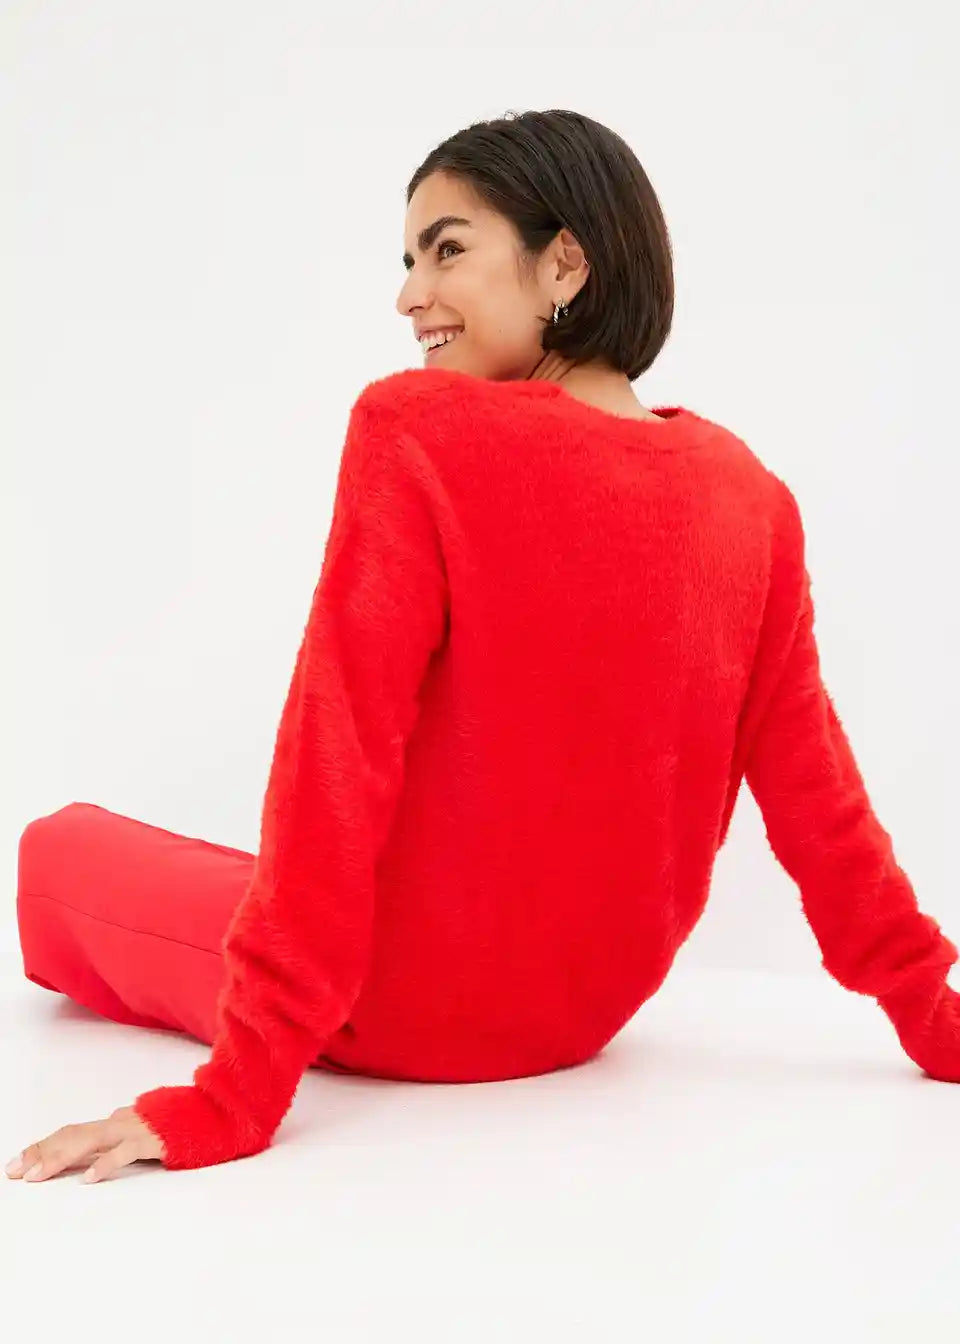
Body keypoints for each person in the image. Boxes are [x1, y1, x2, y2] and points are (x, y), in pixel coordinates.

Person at [8, 109, 959, 1186]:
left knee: (58, 853)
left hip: (396, 1003)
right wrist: (937, 1019)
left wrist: (237, 1094)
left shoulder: (420, 432)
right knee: (231, 875)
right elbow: (820, 805)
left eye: (446, 249)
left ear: (565, 263)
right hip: (591, 1009)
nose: (410, 295)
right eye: (408, 261)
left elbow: (338, 755)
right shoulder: (753, 498)